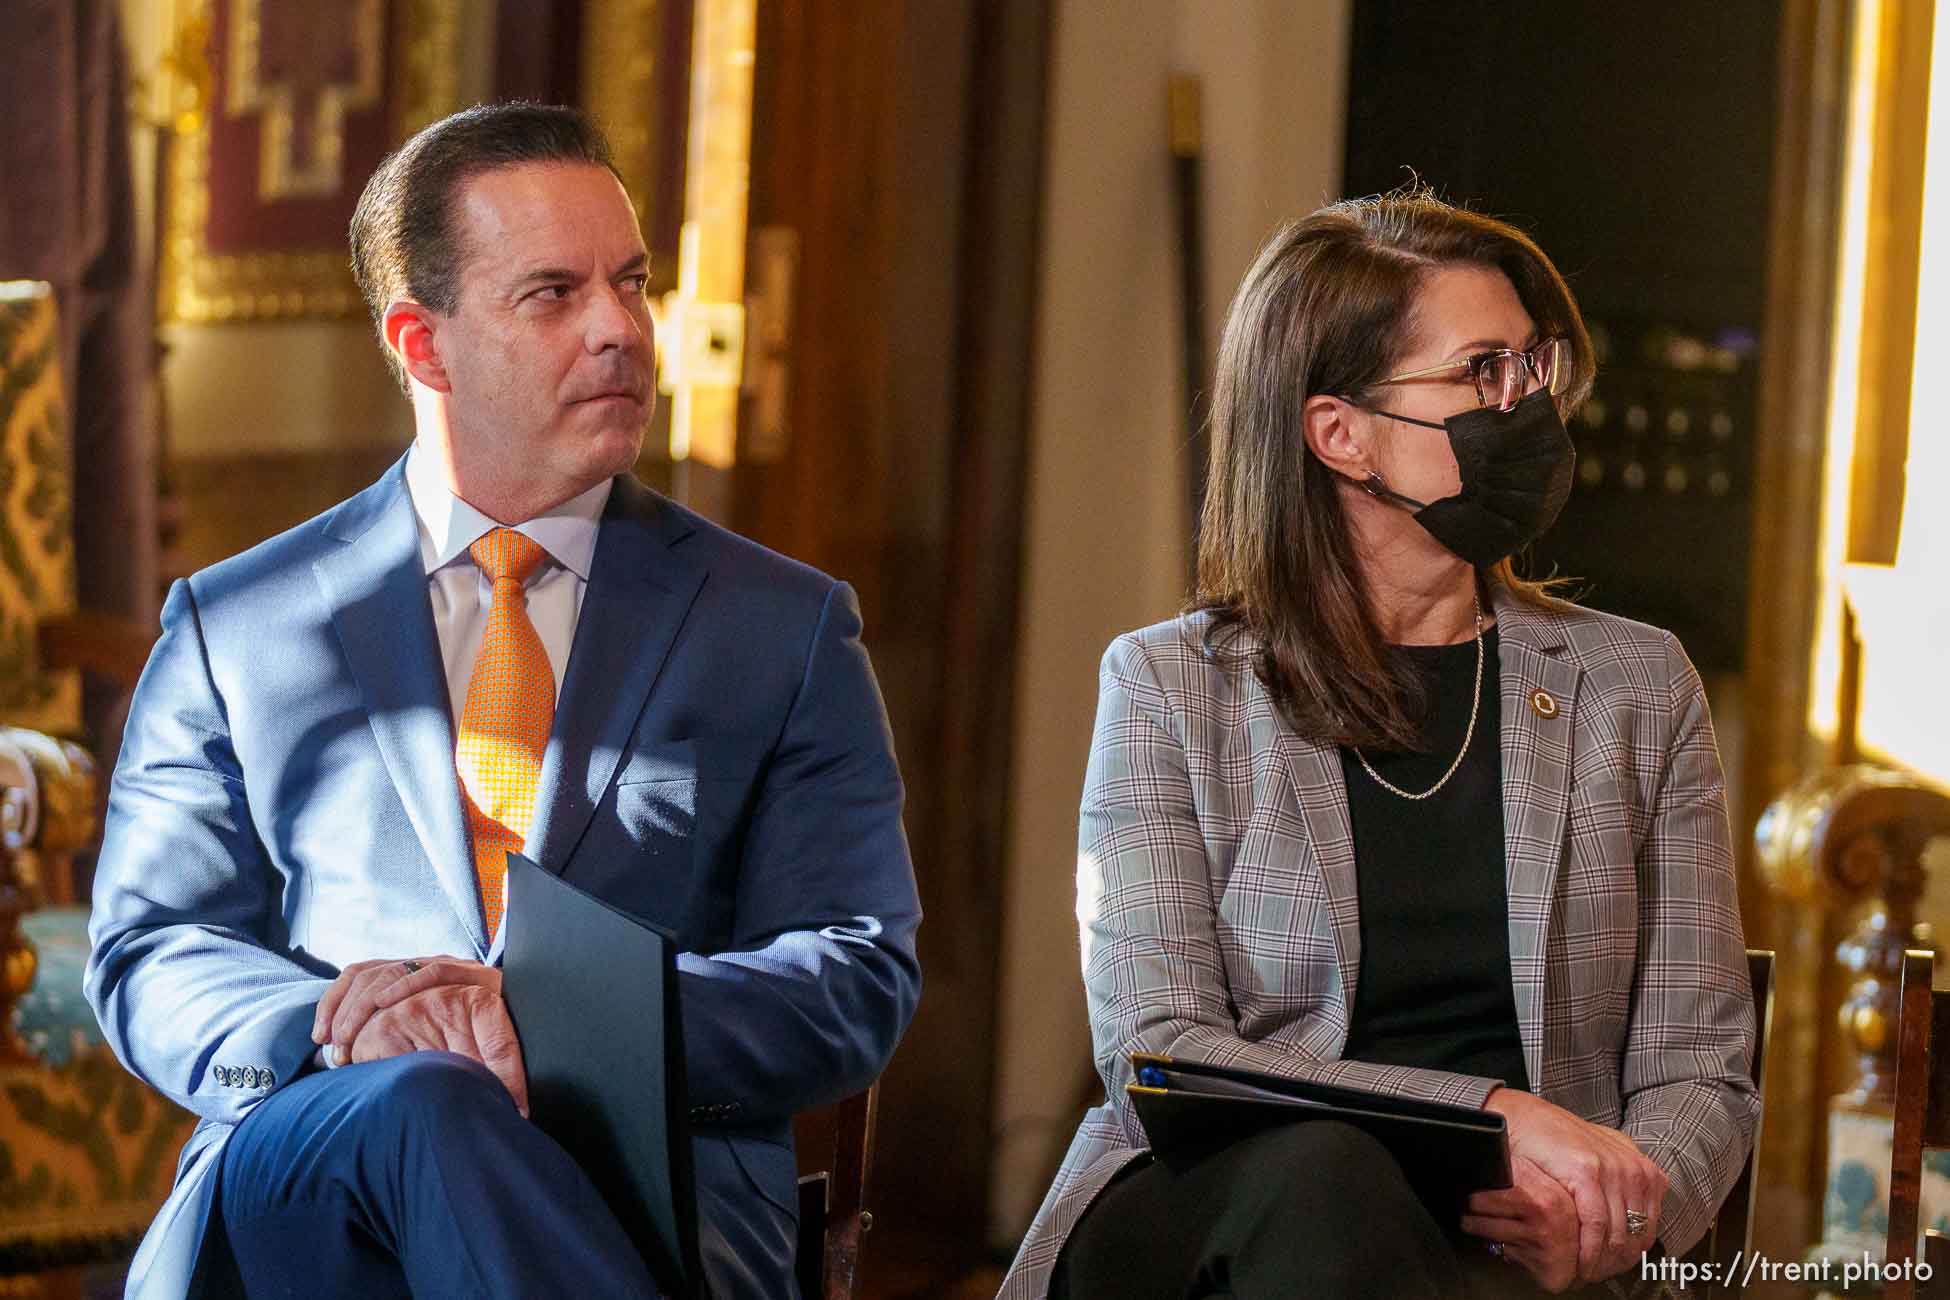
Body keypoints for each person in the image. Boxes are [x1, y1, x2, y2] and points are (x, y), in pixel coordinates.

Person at [86, 101, 922, 1300]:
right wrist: (338, 1025)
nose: (620, 333)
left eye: (631, 285)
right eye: (552, 294)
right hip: (309, 1173)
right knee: (420, 1099)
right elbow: (149, 948)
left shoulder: (782, 628)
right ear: (422, 344)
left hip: (644, 1189)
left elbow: (853, 976)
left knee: (445, 1125)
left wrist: (558, 1023)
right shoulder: (238, 624)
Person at [999, 191, 1756, 1300]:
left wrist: (1625, 1211)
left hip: (1507, 1249)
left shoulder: (1635, 686)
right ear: (1340, 434)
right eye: (1482, 372)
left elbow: (1701, 1067)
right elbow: (1160, 1049)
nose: (1525, 406)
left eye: (1532, 368)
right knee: (1328, 1178)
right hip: (1219, 1219)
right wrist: (1496, 1113)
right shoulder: (1170, 686)